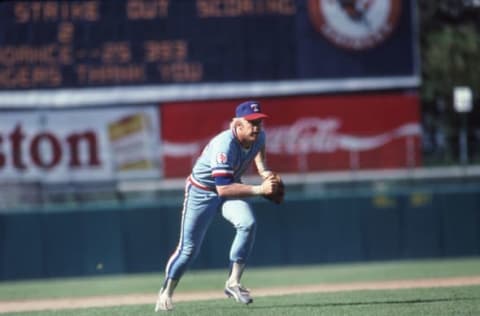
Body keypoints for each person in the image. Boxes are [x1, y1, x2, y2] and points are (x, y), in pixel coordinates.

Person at [155, 100, 279, 311]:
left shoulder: (259, 136)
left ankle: (233, 283)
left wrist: (263, 170)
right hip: (202, 192)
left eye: (259, 122)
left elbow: (260, 149)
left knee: (247, 223)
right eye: (252, 123)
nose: (257, 127)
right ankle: (165, 292)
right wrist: (260, 189)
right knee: (188, 250)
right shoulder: (225, 145)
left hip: (231, 186)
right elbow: (223, 189)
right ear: (238, 125)